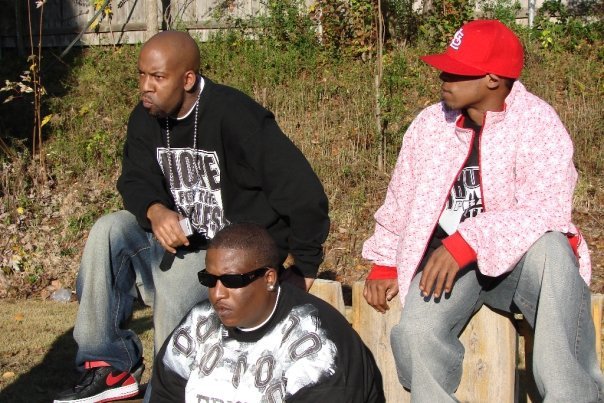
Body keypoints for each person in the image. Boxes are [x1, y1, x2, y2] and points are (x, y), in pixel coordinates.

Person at [54, 31, 329, 403]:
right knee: (109, 230)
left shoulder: (235, 116)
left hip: (232, 257)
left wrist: (306, 264)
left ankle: (168, 389)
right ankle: (109, 367)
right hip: (179, 242)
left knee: (179, 274)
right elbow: (134, 178)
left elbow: (301, 189)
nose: (145, 86)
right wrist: (154, 210)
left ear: (187, 79)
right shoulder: (147, 116)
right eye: (141, 75)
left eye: (157, 77)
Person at [362, 19, 604, 402]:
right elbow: (401, 196)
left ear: (493, 79)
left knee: (556, 250)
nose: (443, 77)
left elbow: (546, 209)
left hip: (521, 262)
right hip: (448, 265)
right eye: (444, 68)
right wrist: (385, 260)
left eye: (456, 71)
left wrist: (469, 240)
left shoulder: (538, 123)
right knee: (416, 333)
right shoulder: (430, 124)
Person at [150, 222, 384, 402]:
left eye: (232, 280)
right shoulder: (199, 321)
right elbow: (165, 395)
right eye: (209, 279)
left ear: (269, 278)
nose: (217, 293)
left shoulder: (319, 346)